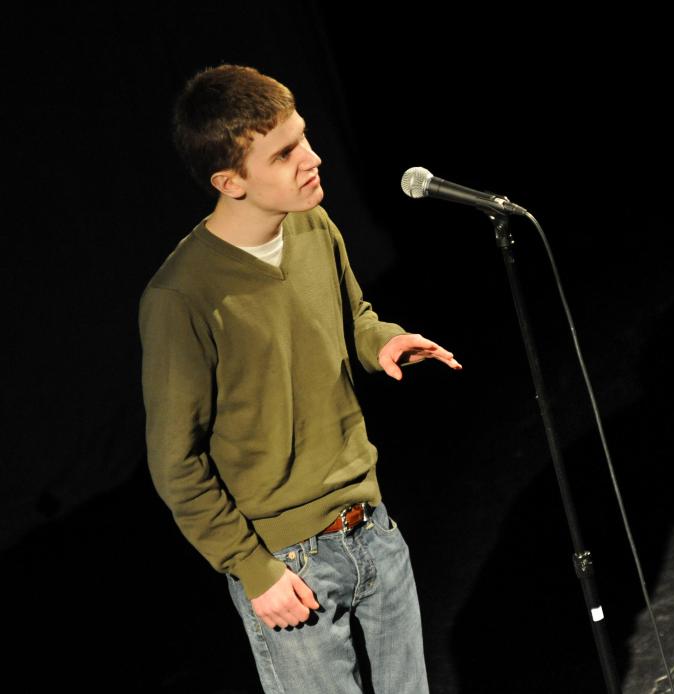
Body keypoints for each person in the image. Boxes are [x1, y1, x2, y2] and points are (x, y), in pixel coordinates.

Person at [139, 64, 459, 693]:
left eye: (304, 138)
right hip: (290, 563)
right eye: (284, 154)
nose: (312, 159)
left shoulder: (313, 225)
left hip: (372, 526)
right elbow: (176, 465)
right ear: (230, 181)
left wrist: (382, 340)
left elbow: (352, 316)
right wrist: (251, 569)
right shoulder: (182, 298)